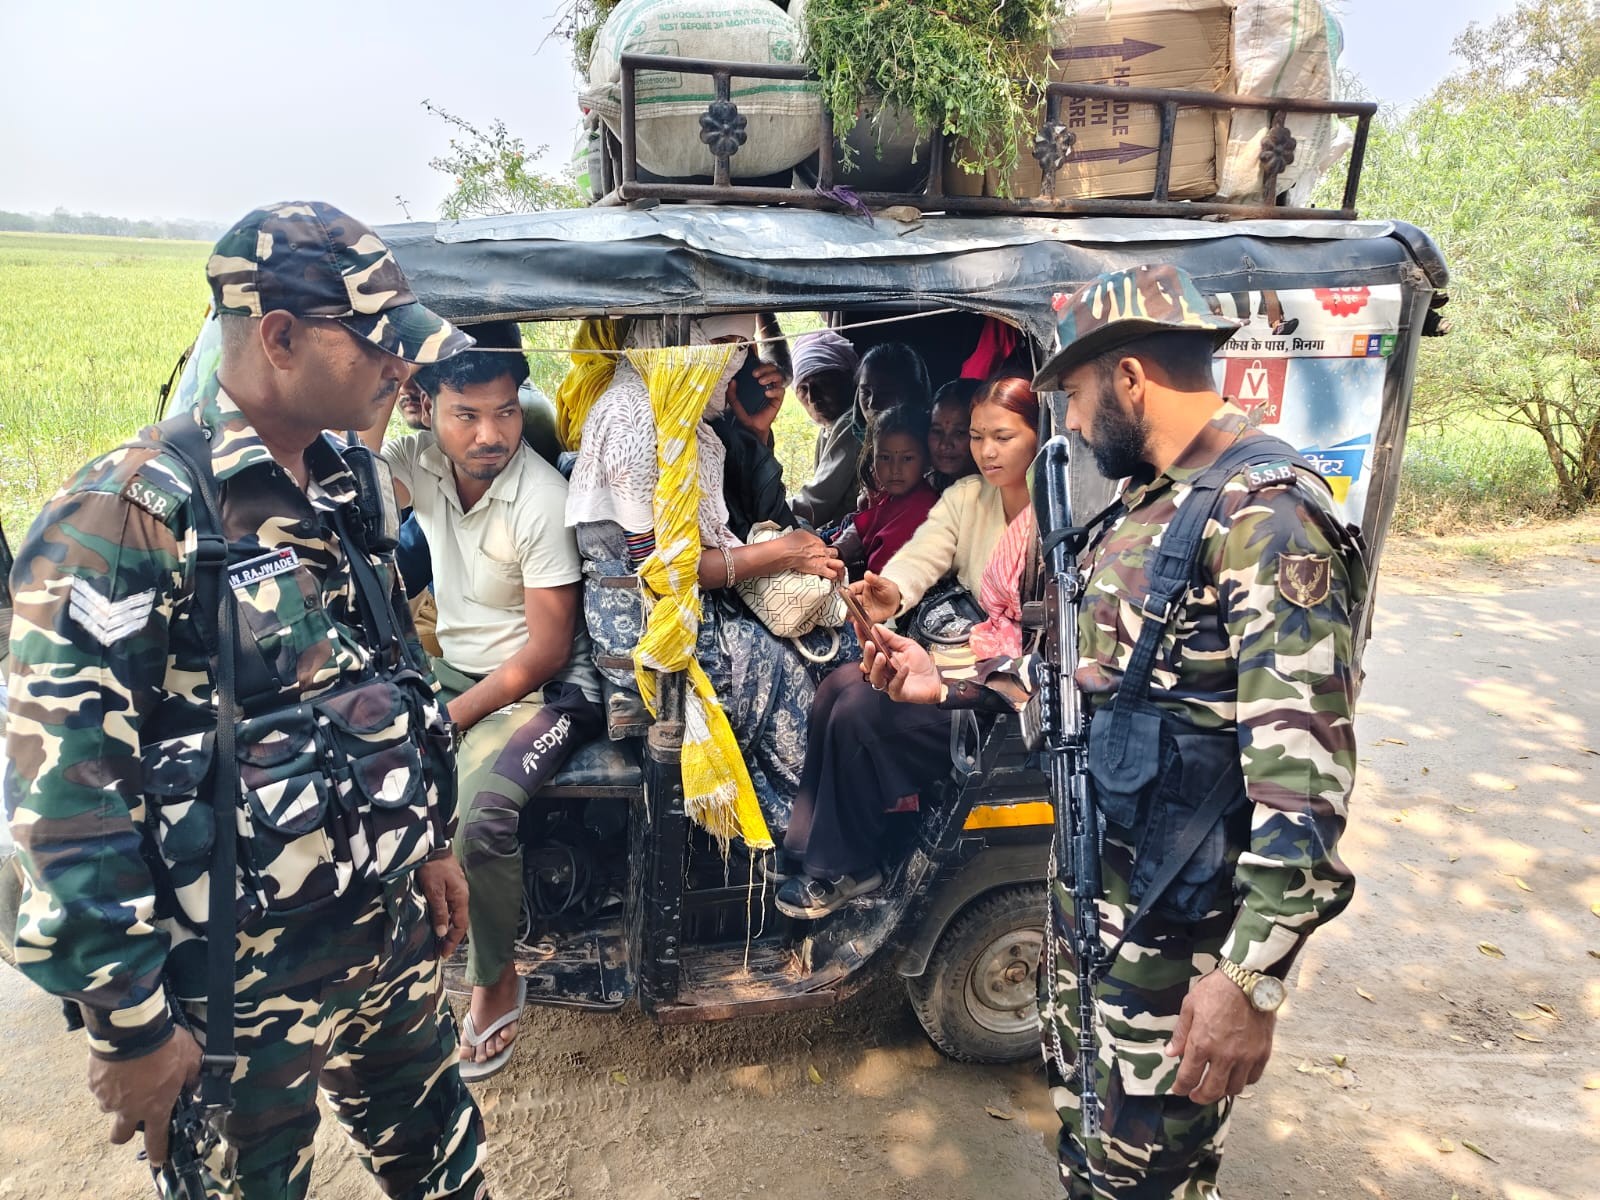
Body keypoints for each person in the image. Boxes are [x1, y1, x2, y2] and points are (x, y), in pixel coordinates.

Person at [4, 201, 488, 1198]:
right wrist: (131, 1028)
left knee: (447, 1174)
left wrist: (430, 842)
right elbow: (63, 801)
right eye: (378, 345)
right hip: (228, 993)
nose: (405, 369)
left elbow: (387, 678)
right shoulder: (127, 515)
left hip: (384, 941)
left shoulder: (351, 484)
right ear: (277, 336)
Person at [883, 264, 1365, 1197]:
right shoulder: (1146, 509)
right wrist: (943, 685)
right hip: (1096, 907)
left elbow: (1301, 789)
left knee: (1146, 1174)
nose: (1066, 423)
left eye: (1072, 396)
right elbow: (1093, 689)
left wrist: (1249, 982)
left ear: (1132, 378)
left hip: (1177, 935)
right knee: (1093, 1147)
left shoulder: (1268, 517)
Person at [363, 322, 604, 1083]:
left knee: (482, 814)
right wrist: (388, 380)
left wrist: (448, 720)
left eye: (504, 411)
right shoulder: (420, 462)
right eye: (467, 413)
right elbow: (349, 481)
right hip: (453, 674)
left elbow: (543, 652)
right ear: (425, 405)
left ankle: (496, 976)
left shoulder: (542, 497)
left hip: (540, 689)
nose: (491, 433)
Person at [773, 377, 1041, 918]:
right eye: (977, 436)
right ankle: (807, 846)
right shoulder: (968, 497)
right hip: (961, 654)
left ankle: (845, 867)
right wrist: (890, 591)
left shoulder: (1056, 513)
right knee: (839, 686)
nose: (986, 451)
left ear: (1040, 436)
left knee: (859, 712)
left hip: (1006, 687)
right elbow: (924, 553)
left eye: (1004, 437)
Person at [566, 315, 846, 833]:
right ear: (672, 338)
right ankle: (804, 841)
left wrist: (755, 433)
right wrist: (784, 554)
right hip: (650, 628)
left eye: (739, 348)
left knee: (837, 649)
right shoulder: (634, 414)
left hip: (689, 609)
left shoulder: (687, 415)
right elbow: (669, 568)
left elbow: (743, 519)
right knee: (786, 673)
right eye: (719, 344)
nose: (731, 362)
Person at [831, 405, 938, 578]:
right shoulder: (891, 497)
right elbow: (862, 530)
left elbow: (883, 572)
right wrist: (836, 551)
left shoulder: (922, 508)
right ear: (872, 457)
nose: (895, 469)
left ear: (926, 459)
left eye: (907, 458)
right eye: (885, 457)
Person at [787, 329, 863, 528]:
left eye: (822, 384)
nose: (812, 398)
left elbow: (818, 502)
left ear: (846, 381)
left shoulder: (852, 423)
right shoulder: (829, 428)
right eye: (803, 389)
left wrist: (767, 511)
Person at [926, 378, 979, 493]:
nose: (945, 445)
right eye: (937, 431)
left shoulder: (1001, 497)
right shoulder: (926, 488)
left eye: (959, 432)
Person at [853, 341, 932, 417]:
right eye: (866, 392)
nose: (872, 404)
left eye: (884, 393)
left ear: (913, 394)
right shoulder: (843, 428)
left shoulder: (937, 427)